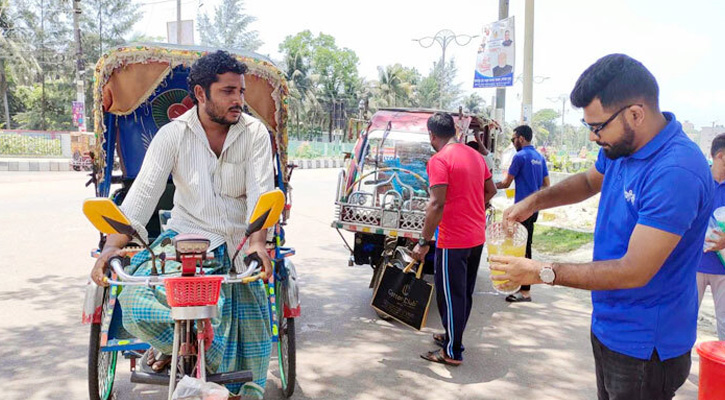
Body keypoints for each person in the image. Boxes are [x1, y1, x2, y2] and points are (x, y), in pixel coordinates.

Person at [489, 54, 713, 399]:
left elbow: (633, 271)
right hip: (609, 324)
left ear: (635, 113)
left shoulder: (675, 171)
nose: (593, 138)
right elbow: (587, 182)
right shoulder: (622, 146)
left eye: (597, 127)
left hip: (645, 345)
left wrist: (541, 271)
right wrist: (533, 202)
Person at [90, 50, 275, 399]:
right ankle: (172, 347)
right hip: (186, 242)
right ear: (201, 94)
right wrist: (111, 247)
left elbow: (261, 194)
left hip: (238, 243)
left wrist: (257, 244)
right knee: (135, 304)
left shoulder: (255, 134)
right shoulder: (172, 135)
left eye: (241, 92)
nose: (238, 101)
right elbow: (142, 195)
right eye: (228, 92)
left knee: (255, 337)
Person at [412, 112, 497, 366]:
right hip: (475, 237)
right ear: (455, 131)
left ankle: (453, 351)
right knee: (463, 294)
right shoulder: (475, 156)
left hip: (453, 239)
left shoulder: (439, 160)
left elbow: (436, 204)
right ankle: (452, 336)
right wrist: (473, 207)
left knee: (449, 295)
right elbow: (491, 190)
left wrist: (423, 242)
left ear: (432, 135)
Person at [495, 125, 550, 302]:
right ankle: (522, 287)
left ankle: (524, 290)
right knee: (525, 246)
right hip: (533, 210)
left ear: (522, 138)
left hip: (521, 210)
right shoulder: (540, 158)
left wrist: (485, 185)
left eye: (513, 139)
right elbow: (546, 185)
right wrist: (534, 201)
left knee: (520, 247)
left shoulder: (520, 156)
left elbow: (505, 183)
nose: (513, 142)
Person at [698, 133, 725, 340]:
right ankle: (675, 371)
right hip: (693, 266)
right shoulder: (697, 182)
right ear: (721, 156)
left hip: (722, 269)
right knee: (682, 322)